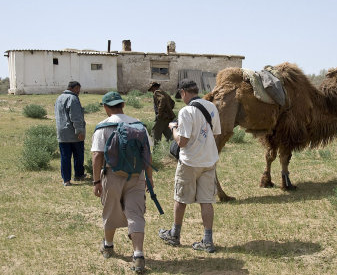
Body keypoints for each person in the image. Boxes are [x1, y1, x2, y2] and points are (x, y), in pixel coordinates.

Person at [91, 91, 154, 273]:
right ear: (123, 105)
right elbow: (147, 155)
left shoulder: (103, 127)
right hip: (137, 175)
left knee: (110, 211)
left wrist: (96, 182)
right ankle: (139, 255)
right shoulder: (138, 125)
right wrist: (149, 178)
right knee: (136, 214)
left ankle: (108, 246)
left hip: (112, 175)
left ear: (105, 107)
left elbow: (97, 156)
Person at [158, 79, 221, 253]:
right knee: (206, 201)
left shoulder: (186, 111)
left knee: (181, 198)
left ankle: (174, 234)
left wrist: (173, 129)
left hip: (189, 162)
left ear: (184, 92)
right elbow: (215, 135)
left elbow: (182, 142)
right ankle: (207, 240)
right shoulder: (211, 107)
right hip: (209, 161)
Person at [54, 81, 86, 186]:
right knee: (78, 155)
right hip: (73, 133)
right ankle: (79, 175)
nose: (79, 92)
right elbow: (75, 117)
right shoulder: (73, 98)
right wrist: (80, 131)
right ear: (75, 88)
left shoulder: (59, 98)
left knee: (65, 157)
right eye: (78, 89)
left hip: (62, 133)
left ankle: (66, 180)